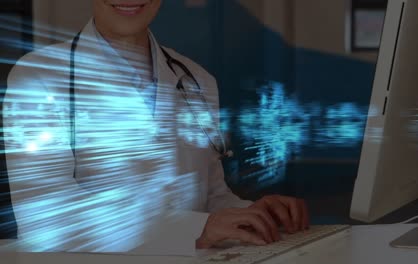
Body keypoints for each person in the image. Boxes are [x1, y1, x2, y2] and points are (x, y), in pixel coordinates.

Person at [3, 0, 309, 255]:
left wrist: (251, 214)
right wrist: (194, 230)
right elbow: (44, 219)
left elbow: (211, 198)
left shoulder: (197, 82)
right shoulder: (38, 79)